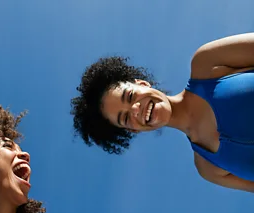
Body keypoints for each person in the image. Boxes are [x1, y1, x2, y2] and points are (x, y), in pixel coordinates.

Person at [70, 33, 254, 193]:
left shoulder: (208, 62)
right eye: (125, 118)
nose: (135, 109)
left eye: (130, 95)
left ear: (142, 83)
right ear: (133, 130)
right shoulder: (210, 169)